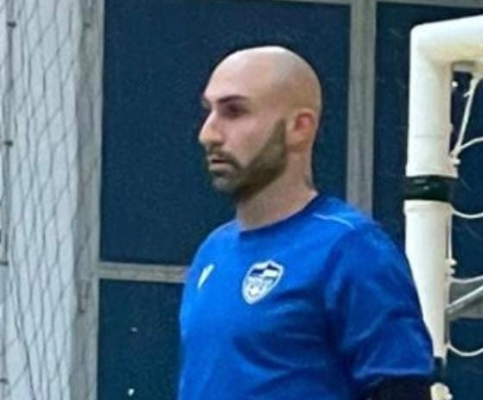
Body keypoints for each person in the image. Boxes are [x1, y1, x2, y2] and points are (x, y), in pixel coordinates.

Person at [179, 46, 433, 400]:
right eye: (209, 111)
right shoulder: (213, 251)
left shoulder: (351, 249)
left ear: (299, 127)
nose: (209, 134)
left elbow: (401, 390)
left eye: (234, 111)